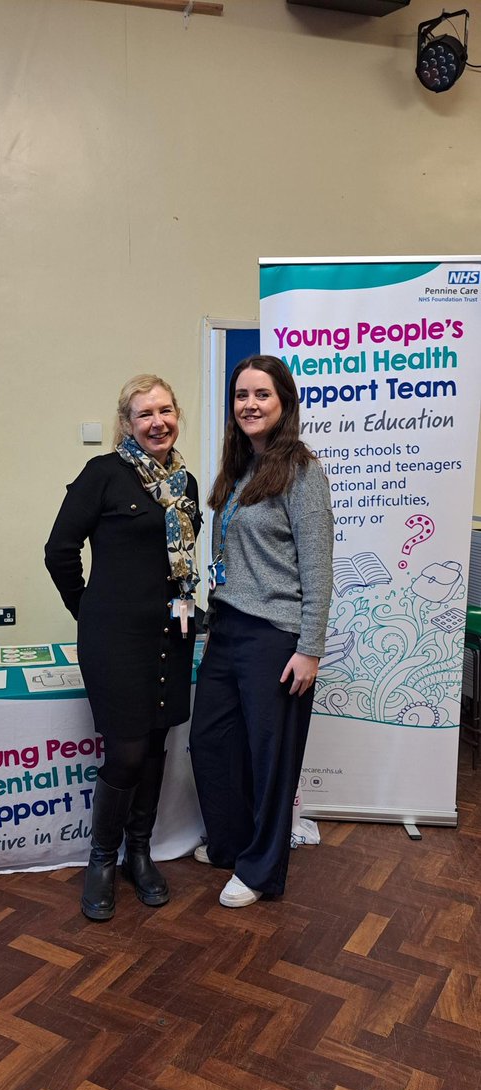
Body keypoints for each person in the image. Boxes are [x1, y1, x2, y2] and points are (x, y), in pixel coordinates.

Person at [45, 374, 200, 920]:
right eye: (144, 414)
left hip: (170, 635)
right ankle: (102, 859)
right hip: (115, 639)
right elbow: (58, 550)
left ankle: (141, 853)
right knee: (127, 751)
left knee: (156, 746)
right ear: (127, 424)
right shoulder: (102, 475)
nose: (157, 421)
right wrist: (86, 612)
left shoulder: (186, 483)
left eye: (165, 410)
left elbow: (182, 566)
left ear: (176, 413)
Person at [189, 355, 333, 908]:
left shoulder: (301, 471)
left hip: (276, 634)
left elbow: (319, 566)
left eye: (262, 395)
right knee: (211, 743)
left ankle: (261, 870)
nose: (249, 404)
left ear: (283, 403)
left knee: (272, 758)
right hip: (227, 627)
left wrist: (309, 649)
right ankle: (229, 844)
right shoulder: (240, 468)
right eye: (241, 395)